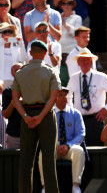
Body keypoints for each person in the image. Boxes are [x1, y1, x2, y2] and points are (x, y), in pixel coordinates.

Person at [12, 40, 61, 193]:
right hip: (45, 115)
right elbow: (54, 98)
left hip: (27, 115)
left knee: (26, 161)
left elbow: (15, 99)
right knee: (48, 160)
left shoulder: (20, 72)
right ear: (45, 53)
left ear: (31, 53)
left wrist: (26, 116)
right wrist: (40, 116)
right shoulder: (51, 71)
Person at [67, 48, 107, 146]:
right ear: (78, 63)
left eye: (88, 59)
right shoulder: (74, 78)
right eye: (83, 59)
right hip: (79, 120)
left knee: (96, 149)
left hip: (96, 120)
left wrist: (106, 109)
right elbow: (68, 96)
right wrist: (71, 111)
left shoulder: (101, 77)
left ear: (91, 62)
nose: (85, 62)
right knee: (80, 150)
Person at [38, 87, 86, 193]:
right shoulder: (48, 114)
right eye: (61, 95)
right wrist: (55, 145)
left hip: (70, 147)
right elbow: (44, 134)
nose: (64, 97)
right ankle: (45, 186)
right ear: (54, 98)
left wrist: (68, 145)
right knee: (43, 154)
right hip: (53, 147)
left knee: (79, 151)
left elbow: (81, 134)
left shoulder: (75, 113)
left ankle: (76, 186)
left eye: (65, 94)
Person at [58, 0, 82, 86]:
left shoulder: (77, 18)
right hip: (60, 52)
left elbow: (76, 33)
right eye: (64, 3)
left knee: (72, 79)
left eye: (69, 3)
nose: (66, 5)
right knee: (62, 80)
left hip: (71, 52)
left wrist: (64, 23)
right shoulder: (57, 16)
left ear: (72, 5)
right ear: (61, 5)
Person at [0, 23, 28, 89]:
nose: (7, 34)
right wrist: (2, 41)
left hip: (13, 81)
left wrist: (21, 44)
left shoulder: (16, 48)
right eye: (5, 32)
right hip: (1, 81)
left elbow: (23, 59)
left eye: (10, 32)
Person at [2, 63, 23, 149]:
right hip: (13, 135)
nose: (18, 72)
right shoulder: (7, 92)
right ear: (12, 73)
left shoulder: (31, 90)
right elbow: (5, 115)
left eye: (20, 70)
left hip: (29, 135)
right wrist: (12, 103)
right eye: (16, 70)